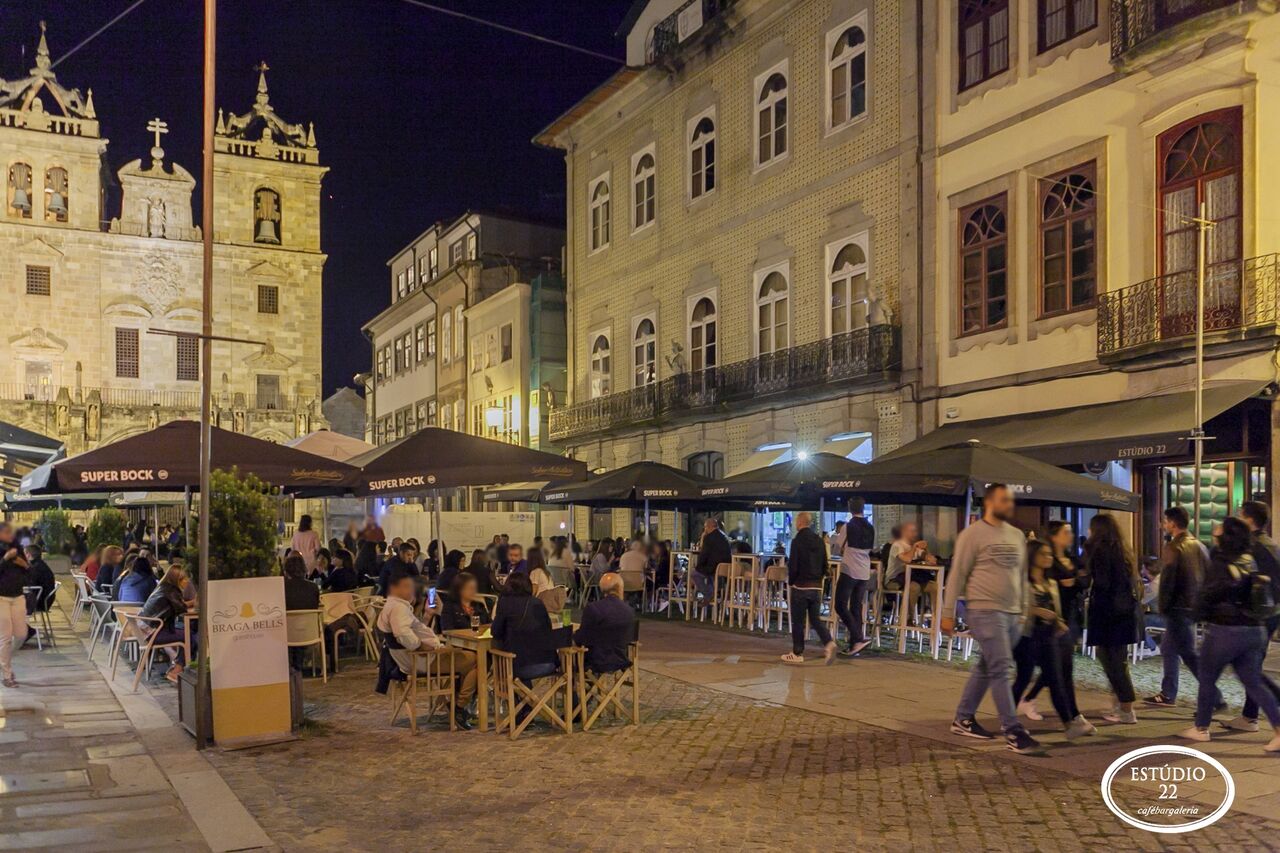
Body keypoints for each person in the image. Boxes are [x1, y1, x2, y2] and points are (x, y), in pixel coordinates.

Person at [940, 484, 1039, 753]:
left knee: (988, 665)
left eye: (1010, 500)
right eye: (1004, 500)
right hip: (984, 610)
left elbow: (1021, 575)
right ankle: (1013, 730)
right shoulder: (972, 535)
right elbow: (957, 573)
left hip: (1012, 613)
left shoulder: (1017, 535)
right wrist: (947, 614)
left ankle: (963, 718)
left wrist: (1023, 609)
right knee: (1001, 667)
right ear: (990, 502)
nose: (1009, 504)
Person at [1180, 517, 1280, 751]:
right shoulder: (1250, 560)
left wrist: (1196, 612)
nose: (1215, 530)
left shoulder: (1221, 560)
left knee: (1206, 678)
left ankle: (1201, 728)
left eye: (1220, 529)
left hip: (1225, 630)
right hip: (1255, 629)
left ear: (1226, 536)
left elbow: (1210, 593)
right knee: (1253, 681)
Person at [1011, 540, 1094, 739]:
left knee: (1056, 678)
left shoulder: (1051, 583)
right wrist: (1037, 611)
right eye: (1043, 554)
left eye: (1049, 554)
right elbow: (1014, 609)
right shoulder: (1022, 582)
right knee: (1023, 677)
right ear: (1032, 557)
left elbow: (1055, 610)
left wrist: (1059, 622)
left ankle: (1069, 724)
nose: (1048, 558)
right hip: (1027, 636)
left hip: (1048, 636)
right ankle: (1009, 720)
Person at [377, 567, 476, 730]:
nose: (412, 591)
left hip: (415, 658)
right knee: (475, 660)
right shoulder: (398, 608)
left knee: (469, 659)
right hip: (422, 660)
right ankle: (458, 707)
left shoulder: (394, 606)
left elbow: (411, 631)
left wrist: (429, 615)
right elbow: (403, 635)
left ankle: (458, 705)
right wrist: (422, 646)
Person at [1145, 507, 1217, 708]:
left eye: (1165, 521)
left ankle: (1214, 697)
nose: (1163, 525)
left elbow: (1168, 581)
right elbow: (1209, 577)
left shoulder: (1174, 547)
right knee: (1169, 648)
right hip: (1192, 608)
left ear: (1173, 524)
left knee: (1189, 655)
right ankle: (1168, 693)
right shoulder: (1200, 546)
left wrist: (1164, 607)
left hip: (1178, 608)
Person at [1020, 520, 1088, 721]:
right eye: (1066, 532)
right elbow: (1047, 586)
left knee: (1060, 666)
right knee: (1058, 668)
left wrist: (1074, 581)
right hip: (1050, 622)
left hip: (1070, 617)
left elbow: (1085, 579)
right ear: (1054, 535)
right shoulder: (1047, 560)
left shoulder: (1072, 559)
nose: (1071, 535)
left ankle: (1069, 716)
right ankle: (1073, 717)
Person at [1224, 501, 1280, 732]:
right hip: (1269, 613)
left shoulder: (1255, 546)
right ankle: (1250, 716)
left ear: (1249, 520)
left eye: (1240, 515)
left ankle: (1251, 717)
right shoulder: (1270, 544)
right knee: (1249, 664)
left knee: (1248, 665)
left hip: (1259, 614)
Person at [1083, 513, 1143, 725]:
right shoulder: (1122, 550)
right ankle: (1121, 704)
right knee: (1118, 659)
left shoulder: (1099, 550)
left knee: (1112, 661)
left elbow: (1101, 581)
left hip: (1107, 612)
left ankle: (1126, 708)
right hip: (1124, 612)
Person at [491, 571, 562, 687]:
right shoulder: (538, 603)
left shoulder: (505, 603)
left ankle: (520, 701)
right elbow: (548, 629)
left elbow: (496, 632)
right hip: (547, 663)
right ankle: (527, 702)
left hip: (518, 666)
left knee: (500, 649)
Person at [784, 512, 837, 665]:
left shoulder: (797, 541)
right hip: (816, 586)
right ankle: (829, 642)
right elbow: (824, 564)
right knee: (815, 619)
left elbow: (793, 565)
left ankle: (797, 652)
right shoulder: (819, 541)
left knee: (798, 621)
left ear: (800, 522)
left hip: (800, 586)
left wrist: (791, 582)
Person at [137, 565, 193, 682]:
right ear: (176, 580)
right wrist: (194, 602)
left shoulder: (162, 587)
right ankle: (177, 670)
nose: (187, 581)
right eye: (184, 579)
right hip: (153, 633)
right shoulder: (172, 591)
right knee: (190, 636)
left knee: (186, 632)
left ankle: (177, 666)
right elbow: (181, 609)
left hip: (145, 630)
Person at [835, 499, 875, 657]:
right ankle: (854, 646)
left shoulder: (847, 526)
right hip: (864, 571)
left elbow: (837, 548)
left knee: (840, 605)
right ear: (863, 508)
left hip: (849, 569)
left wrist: (842, 550)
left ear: (849, 508)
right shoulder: (870, 527)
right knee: (856, 607)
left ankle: (858, 638)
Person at [575, 572, 636, 675]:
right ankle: (590, 686)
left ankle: (573, 688)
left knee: (569, 653)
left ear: (602, 589)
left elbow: (582, 638)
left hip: (596, 661)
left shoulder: (593, 608)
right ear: (620, 588)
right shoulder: (629, 611)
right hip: (621, 659)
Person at [885, 522, 938, 624]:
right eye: (912, 531)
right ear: (904, 532)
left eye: (915, 531)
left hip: (912, 578)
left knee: (934, 587)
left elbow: (932, 561)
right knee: (914, 587)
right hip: (894, 580)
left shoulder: (916, 547)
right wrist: (914, 547)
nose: (914, 534)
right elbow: (907, 559)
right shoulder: (898, 545)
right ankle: (906, 619)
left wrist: (926, 549)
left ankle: (937, 619)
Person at [0, 523, 30, 688]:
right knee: (5, 637)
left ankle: (2, 660)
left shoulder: (17, 548)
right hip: (1, 598)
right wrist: (5, 559)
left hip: (18, 596)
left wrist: (24, 564)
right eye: (6, 532)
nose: (10, 534)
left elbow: (29, 571)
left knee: (20, 635)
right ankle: (7, 674)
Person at [693, 518, 731, 603]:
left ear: (709, 527)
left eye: (705, 527)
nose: (705, 529)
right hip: (725, 568)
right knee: (708, 576)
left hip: (713, 568)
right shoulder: (724, 536)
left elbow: (704, 554)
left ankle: (708, 594)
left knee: (694, 574)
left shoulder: (709, 537)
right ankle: (712, 593)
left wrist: (698, 566)